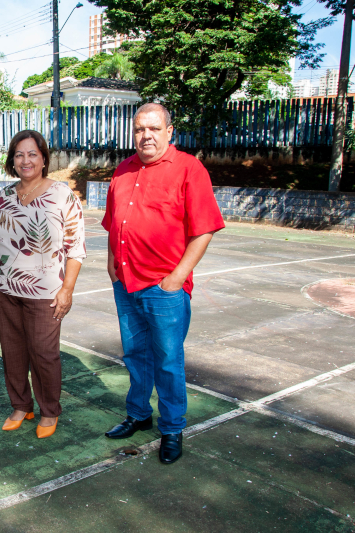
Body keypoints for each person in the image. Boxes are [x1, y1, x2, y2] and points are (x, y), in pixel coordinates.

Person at [102, 103, 225, 463]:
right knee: (136, 357)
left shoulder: (189, 169)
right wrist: (111, 264)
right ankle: (139, 415)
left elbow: (204, 230)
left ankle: (172, 428)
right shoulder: (123, 170)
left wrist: (177, 277)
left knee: (168, 361)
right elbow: (114, 223)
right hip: (126, 284)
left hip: (163, 288)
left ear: (169, 131)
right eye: (140, 129)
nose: (146, 136)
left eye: (154, 129)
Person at [0, 130, 86, 439]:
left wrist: (67, 289)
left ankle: (49, 410)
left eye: (31, 154)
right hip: (6, 289)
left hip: (46, 292)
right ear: (12, 161)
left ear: (43, 159)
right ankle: (20, 405)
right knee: (12, 351)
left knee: (44, 352)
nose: (25, 160)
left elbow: (75, 247)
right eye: (19, 155)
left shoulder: (61, 194)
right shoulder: (5, 195)